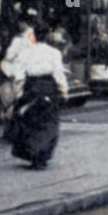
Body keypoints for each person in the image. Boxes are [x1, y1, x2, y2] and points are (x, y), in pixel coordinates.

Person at [9, 29, 71, 169]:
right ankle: (42, 155)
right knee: (49, 122)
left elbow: (18, 75)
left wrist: (19, 93)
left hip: (31, 87)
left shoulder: (25, 53)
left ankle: (32, 153)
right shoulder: (54, 53)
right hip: (49, 87)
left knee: (30, 122)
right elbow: (58, 73)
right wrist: (64, 91)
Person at [0, 14, 39, 141]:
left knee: (13, 103)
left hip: (19, 73)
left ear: (25, 23)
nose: (19, 25)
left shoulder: (27, 38)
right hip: (16, 73)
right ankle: (11, 131)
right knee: (11, 102)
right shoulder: (22, 37)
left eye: (21, 23)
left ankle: (13, 132)